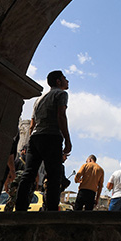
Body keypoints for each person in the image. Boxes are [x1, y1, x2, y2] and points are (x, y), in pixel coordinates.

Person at [15, 70, 73, 212]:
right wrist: (67, 139)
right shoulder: (61, 94)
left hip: (35, 138)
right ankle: (51, 210)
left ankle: (20, 207)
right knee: (54, 175)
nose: (67, 81)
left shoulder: (39, 99)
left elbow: (33, 123)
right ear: (58, 81)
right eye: (65, 78)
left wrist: (31, 142)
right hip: (51, 136)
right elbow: (61, 116)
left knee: (28, 173)